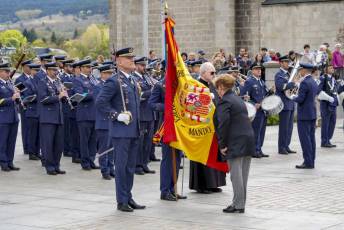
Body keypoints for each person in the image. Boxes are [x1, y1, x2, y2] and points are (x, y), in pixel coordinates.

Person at [96, 47, 145, 212]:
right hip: (121, 132)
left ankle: (128, 197)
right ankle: (121, 200)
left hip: (133, 130)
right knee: (122, 167)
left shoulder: (131, 80)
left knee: (130, 167)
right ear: (118, 61)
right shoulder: (113, 81)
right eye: (128, 58)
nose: (132, 60)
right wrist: (116, 115)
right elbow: (101, 103)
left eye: (132, 57)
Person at [214, 74, 255, 213]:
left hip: (235, 141)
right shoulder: (237, 99)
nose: (217, 91)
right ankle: (240, 203)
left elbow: (223, 124)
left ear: (221, 87)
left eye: (217, 88)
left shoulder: (224, 101)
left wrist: (222, 144)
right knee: (243, 175)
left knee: (236, 175)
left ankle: (238, 205)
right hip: (247, 139)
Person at [189, 62, 226, 194]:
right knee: (203, 156)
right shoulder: (196, 86)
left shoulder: (212, 85)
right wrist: (203, 100)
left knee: (214, 154)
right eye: (212, 73)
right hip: (202, 127)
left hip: (214, 126)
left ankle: (213, 183)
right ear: (204, 72)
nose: (214, 75)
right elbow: (192, 106)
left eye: (214, 72)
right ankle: (202, 185)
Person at [148, 79, 186, 202]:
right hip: (167, 126)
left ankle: (173, 189)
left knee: (177, 159)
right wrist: (167, 107)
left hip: (180, 127)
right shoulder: (160, 85)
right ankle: (165, 191)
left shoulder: (182, 83)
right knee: (168, 159)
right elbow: (152, 104)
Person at [37, 62, 66, 175]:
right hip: (48, 117)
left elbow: (61, 100)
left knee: (58, 144)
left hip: (58, 116)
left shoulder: (58, 82)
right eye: (54, 70)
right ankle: (49, 166)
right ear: (48, 70)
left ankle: (56, 165)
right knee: (48, 144)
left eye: (57, 70)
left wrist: (64, 96)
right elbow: (43, 99)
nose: (56, 72)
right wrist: (58, 96)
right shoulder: (42, 82)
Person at [73, 59, 99, 170]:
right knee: (84, 140)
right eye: (88, 67)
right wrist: (94, 93)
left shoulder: (93, 79)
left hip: (94, 114)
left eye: (91, 67)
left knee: (93, 140)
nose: (90, 69)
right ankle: (85, 162)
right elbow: (79, 96)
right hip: (84, 115)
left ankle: (91, 160)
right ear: (82, 68)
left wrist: (91, 92)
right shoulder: (78, 80)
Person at [291, 63, 318, 169]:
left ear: (305, 70)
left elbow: (301, 99)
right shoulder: (313, 81)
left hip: (304, 115)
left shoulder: (305, 82)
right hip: (312, 113)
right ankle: (311, 161)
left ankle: (308, 162)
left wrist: (293, 97)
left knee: (305, 139)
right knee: (311, 138)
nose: (299, 71)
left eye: (300, 70)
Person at [240, 63, 270, 158]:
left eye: (260, 69)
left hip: (263, 110)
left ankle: (259, 149)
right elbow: (244, 96)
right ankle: (254, 150)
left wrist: (271, 92)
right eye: (256, 69)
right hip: (256, 110)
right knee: (256, 131)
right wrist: (253, 104)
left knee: (262, 131)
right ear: (252, 71)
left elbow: (265, 94)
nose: (259, 71)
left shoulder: (261, 81)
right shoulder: (249, 81)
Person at [132, 57, 155, 175]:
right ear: (135, 66)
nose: (144, 67)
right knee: (140, 142)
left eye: (144, 65)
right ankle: (137, 165)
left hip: (150, 113)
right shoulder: (134, 79)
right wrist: (152, 92)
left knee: (148, 142)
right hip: (141, 114)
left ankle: (145, 163)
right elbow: (138, 95)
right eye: (141, 65)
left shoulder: (146, 77)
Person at [94, 64, 115, 180]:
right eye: (108, 73)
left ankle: (111, 169)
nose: (110, 75)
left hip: (111, 120)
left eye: (111, 73)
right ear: (102, 74)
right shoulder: (98, 86)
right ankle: (104, 170)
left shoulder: (110, 85)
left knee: (111, 148)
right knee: (104, 148)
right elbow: (101, 103)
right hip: (103, 121)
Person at [274, 55, 297, 155]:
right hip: (284, 103)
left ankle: (287, 145)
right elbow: (280, 87)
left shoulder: (288, 74)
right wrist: (292, 84)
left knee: (289, 127)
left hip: (290, 103)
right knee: (284, 127)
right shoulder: (279, 74)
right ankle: (281, 147)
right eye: (286, 62)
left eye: (288, 62)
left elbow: (292, 88)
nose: (288, 64)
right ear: (281, 63)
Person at [0, 63, 20, 172]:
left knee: (11, 142)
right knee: (3, 142)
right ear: (0, 72)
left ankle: (10, 162)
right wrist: (11, 99)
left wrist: (17, 96)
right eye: (6, 72)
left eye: (9, 72)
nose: (8, 74)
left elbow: (15, 99)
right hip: (3, 116)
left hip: (13, 116)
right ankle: (3, 163)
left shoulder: (10, 83)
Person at [22, 63, 41, 161]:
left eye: (39, 70)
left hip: (39, 111)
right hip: (32, 111)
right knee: (32, 133)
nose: (37, 72)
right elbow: (27, 97)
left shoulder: (40, 81)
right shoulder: (27, 82)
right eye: (36, 70)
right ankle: (31, 153)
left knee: (38, 134)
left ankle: (37, 152)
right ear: (32, 71)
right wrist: (39, 97)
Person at [318, 64, 338, 148]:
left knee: (332, 122)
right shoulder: (323, 78)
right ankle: (324, 141)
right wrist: (327, 97)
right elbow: (318, 90)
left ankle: (328, 139)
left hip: (333, 104)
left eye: (332, 67)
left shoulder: (333, 79)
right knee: (325, 123)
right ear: (326, 70)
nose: (332, 69)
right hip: (325, 103)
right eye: (330, 68)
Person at [14, 59, 32, 156]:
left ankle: (32, 147)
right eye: (29, 67)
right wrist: (26, 99)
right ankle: (26, 148)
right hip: (25, 105)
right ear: (24, 67)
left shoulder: (33, 78)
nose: (31, 68)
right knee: (26, 127)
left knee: (32, 127)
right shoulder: (20, 79)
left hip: (33, 106)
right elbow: (20, 94)